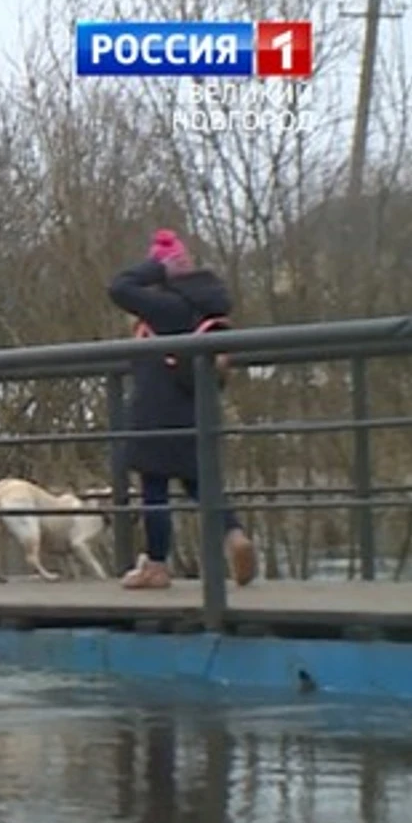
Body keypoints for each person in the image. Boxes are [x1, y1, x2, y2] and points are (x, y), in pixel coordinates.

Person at [107, 229, 257, 590]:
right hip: (197, 409)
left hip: (158, 410)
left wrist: (155, 268)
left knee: (154, 488)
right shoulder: (208, 303)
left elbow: (119, 287)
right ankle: (234, 534)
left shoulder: (167, 306)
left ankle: (156, 566)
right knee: (201, 483)